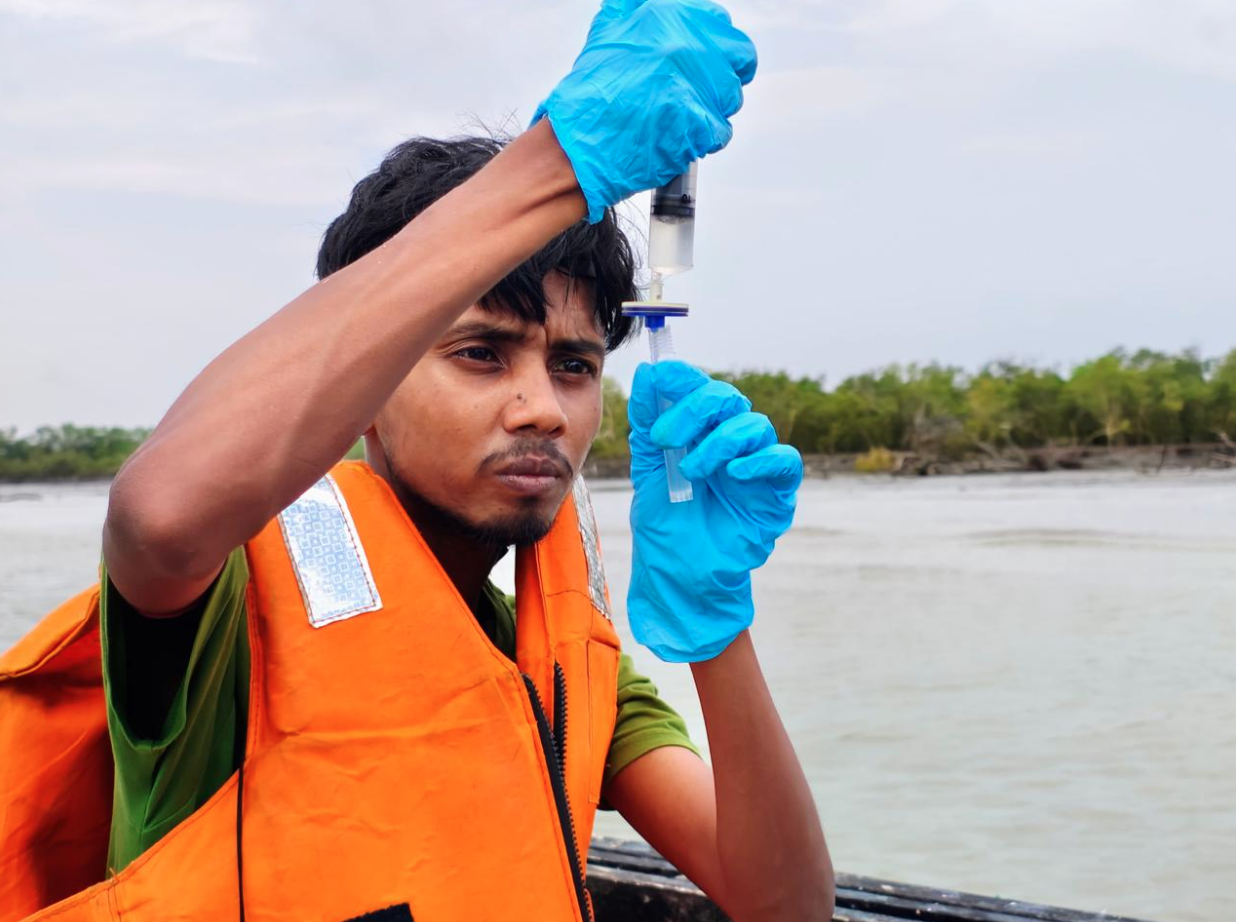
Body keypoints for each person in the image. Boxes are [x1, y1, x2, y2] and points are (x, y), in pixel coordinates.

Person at [0, 1, 833, 920]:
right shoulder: (227, 612)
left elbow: (783, 906)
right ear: (365, 388)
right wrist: (557, 169)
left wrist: (718, 633)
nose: (544, 410)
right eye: (480, 353)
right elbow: (157, 518)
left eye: (575, 366)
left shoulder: (557, 654)